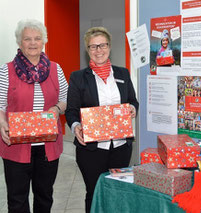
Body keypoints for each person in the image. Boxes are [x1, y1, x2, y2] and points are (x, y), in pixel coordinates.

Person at [65, 27, 139, 213]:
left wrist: (132, 109)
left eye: (102, 45)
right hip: (91, 148)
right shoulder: (78, 77)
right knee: (94, 192)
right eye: (93, 47)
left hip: (121, 146)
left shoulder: (122, 73)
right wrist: (76, 127)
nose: (98, 50)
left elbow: (133, 101)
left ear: (109, 46)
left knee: (117, 191)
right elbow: (72, 111)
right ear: (88, 50)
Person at [0, 19, 68, 213]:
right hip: (16, 146)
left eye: (37, 38)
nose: (32, 43)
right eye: (27, 39)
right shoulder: (7, 70)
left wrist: (56, 109)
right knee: (17, 200)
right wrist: (2, 123)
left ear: (43, 41)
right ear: (20, 43)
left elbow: (65, 97)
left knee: (44, 197)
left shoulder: (55, 69)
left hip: (47, 147)